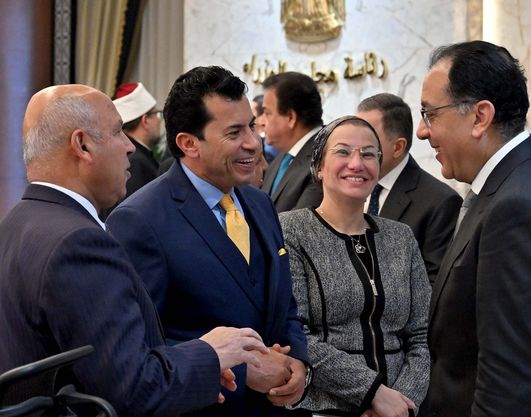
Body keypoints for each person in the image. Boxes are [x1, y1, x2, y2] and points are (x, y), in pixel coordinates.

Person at [0, 84, 271, 416]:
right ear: (82, 145)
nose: (130, 146)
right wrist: (211, 353)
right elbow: (131, 389)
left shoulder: (18, 222)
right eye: (118, 132)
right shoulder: (79, 242)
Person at [106, 66, 310, 417]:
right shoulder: (139, 220)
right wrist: (242, 371)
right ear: (188, 143)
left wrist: (298, 364)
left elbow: (283, 304)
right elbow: (139, 346)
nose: (253, 142)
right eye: (234, 132)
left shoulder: (259, 203)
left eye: (252, 126)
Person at [418, 40, 531, 417]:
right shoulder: (528, 177)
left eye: (430, 114)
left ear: (480, 117)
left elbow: (508, 388)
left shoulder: (517, 208)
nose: (422, 131)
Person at [280, 115, 431, 417]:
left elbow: (421, 336)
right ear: (319, 166)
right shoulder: (291, 230)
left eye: (368, 154)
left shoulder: (401, 237)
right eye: (343, 151)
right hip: (322, 408)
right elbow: (296, 332)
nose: (357, 163)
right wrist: (373, 393)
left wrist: (401, 403)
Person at [357, 93, 462, 285]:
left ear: (398, 147)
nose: (356, 149)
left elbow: (435, 285)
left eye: (366, 140)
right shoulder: (352, 186)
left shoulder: (440, 202)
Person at [261, 72, 324, 212]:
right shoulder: (283, 156)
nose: (262, 122)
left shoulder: (322, 161)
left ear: (290, 117)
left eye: (267, 113)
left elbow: (302, 222)